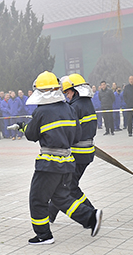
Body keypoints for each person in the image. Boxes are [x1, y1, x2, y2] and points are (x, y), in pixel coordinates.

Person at [16, 71, 102, 245]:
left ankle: (43, 235)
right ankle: (90, 218)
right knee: (61, 198)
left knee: (37, 198)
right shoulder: (69, 108)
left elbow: (32, 135)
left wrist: (22, 127)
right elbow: (77, 136)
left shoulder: (41, 112)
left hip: (48, 164)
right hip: (68, 163)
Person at [48, 74, 99, 224]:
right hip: (86, 152)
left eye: (68, 92)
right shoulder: (87, 103)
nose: (67, 96)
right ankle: (50, 214)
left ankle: (92, 214)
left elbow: (69, 131)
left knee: (69, 187)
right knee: (66, 185)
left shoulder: (75, 107)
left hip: (78, 154)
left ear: (76, 91)